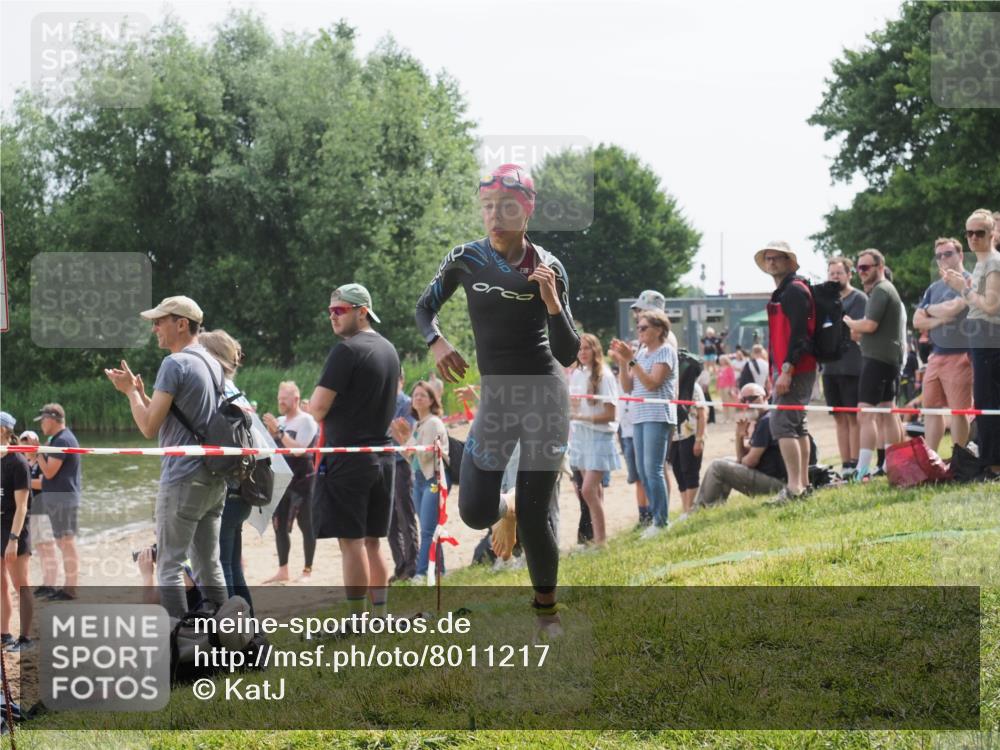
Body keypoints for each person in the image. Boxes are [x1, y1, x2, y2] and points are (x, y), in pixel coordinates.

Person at [415, 163, 579, 635]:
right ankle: (503, 506)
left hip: (545, 397)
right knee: (474, 511)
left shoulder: (548, 267)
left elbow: (567, 351)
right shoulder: (466, 258)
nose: (495, 216)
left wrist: (552, 302)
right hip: (499, 397)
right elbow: (425, 308)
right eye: (488, 206)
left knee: (534, 513)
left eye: (507, 207)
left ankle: (547, 613)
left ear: (526, 210)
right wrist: (438, 342)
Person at [104, 295, 229, 619]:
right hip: (214, 477)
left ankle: (176, 644)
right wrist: (143, 394)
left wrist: (130, 393)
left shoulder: (174, 363)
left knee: (170, 566)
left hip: (183, 478)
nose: (154, 328)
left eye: (160, 321)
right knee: (208, 566)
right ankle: (229, 641)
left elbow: (148, 426)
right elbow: (182, 415)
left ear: (182, 324)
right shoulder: (211, 363)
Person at [308, 283, 400, 621]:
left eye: (340, 310)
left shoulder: (346, 351)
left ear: (363, 311)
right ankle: (380, 615)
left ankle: (356, 619)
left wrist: (314, 405)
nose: (333, 316)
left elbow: (317, 408)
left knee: (352, 542)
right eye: (330, 311)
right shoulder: (389, 350)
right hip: (384, 454)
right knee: (374, 542)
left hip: (349, 457)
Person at [197, 329, 256, 612]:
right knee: (233, 564)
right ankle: (251, 628)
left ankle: (237, 636)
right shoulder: (237, 393)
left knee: (224, 567)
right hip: (243, 488)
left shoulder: (219, 392)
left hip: (228, 487)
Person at [757, 241, 816, 502]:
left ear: (788, 261)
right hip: (791, 368)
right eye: (768, 258)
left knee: (782, 425)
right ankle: (802, 484)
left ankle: (794, 488)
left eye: (777, 258)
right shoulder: (784, 291)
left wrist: (787, 369)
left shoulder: (794, 290)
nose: (771, 262)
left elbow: (800, 335)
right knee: (797, 426)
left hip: (795, 368)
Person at [610, 309, 678, 538]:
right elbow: (628, 387)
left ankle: (662, 521)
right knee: (642, 470)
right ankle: (655, 518)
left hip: (657, 414)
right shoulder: (641, 352)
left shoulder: (665, 350)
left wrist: (631, 360)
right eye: (638, 327)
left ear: (659, 330)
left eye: (643, 327)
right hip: (639, 415)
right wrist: (622, 362)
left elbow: (652, 384)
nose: (638, 331)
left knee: (653, 469)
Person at [695, 384, 817, 508]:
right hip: (776, 479)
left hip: (780, 484)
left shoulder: (767, 421)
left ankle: (701, 508)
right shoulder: (764, 419)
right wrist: (739, 436)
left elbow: (749, 462)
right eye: (743, 400)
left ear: (766, 397)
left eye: (752, 398)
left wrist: (742, 458)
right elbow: (742, 459)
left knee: (718, 466)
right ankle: (710, 506)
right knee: (725, 461)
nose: (748, 403)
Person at [944, 209, 1000, 477]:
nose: (974, 237)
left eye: (980, 232)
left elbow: (991, 306)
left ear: (992, 234)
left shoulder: (992, 263)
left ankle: (994, 465)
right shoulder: (983, 263)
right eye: (969, 233)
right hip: (982, 337)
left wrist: (962, 289)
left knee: (988, 403)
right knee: (985, 402)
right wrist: (963, 285)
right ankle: (991, 462)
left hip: (990, 336)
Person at [844, 249, 906, 480]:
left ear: (880, 267)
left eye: (865, 267)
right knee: (888, 412)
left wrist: (850, 322)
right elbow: (873, 329)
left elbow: (869, 325)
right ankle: (891, 465)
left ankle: (862, 470)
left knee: (865, 414)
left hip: (877, 361)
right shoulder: (885, 290)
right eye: (858, 268)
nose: (861, 272)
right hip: (887, 359)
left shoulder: (881, 290)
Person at [913, 238, 974, 454]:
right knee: (930, 410)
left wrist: (930, 310)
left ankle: (960, 459)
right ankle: (932, 459)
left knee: (959, 411)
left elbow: (954, 308)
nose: (943, 259)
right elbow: (917, 320)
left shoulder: (970, 281)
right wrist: (937, 317)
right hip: (936, 355)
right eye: (938, 255)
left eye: (948, 253)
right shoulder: (933, 287)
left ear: (960, 255)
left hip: (961, 354)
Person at [390, 381, 449, 581]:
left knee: (427, 529)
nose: (418, 398)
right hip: (421, 480)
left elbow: (425, 456)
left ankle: (423, 571)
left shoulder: (433, 423)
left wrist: (407, 439)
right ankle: (439, 569)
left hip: (433, 480)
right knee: (429, 528)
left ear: (432, 400)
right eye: (415, 395)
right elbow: (413, 458)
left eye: (423, 395)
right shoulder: (418, 424)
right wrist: (404, 441)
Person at [261, 381, 318, 583]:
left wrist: (279, 433)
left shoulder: (307, 421)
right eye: (279, 399)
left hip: (303, 481)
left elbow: (299, 449)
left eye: (284, 399)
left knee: (306, 525)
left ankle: (307, 570)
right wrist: (267, 434)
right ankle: (283, 569)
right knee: (279, 525)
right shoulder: (279, 421)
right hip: (281, 481)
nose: (281, 402)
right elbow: (269, 450)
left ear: (295, 399)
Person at [567, 334, 620, 548]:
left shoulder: (605, 376)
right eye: (579, 349)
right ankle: (595, 539)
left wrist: (580, 416)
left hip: (599, 436)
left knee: (588, 489)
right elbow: (575, 407)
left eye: (586, 348)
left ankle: (601, 542)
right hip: (580, 436)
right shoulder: (577, 374)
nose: (582, 352)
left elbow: (610, 415)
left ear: (595, 350)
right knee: (592, 491)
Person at [822, 256, 867, 476]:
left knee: (852, 416)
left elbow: (858, 330)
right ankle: (845, 464)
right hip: (830, 368)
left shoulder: (859, 299)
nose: (835, 277)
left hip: (852, 366)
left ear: (849, 275)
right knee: (839, 417)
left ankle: (856, 462)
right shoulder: (824, 299)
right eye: (832, 273)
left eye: (839, 273)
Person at [33, 403, 81, 600]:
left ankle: (70, 588)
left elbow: (50, 472)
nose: (41, 425)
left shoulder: (62, 440)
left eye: (43, 420)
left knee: (66, 543)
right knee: (63, 542)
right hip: (60, 497)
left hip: (64, 497)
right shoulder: (58, 439)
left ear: (51, 419)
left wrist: (36, 452)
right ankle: (67, 587)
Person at [1, 413, 33, 653]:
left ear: (4, 430)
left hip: (15, 530)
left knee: (21, 585)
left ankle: (26, 638)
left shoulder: (18, 462)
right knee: (1, 586)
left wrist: (13, 540)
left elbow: (22, 506)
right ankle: (4, 634)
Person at [385, 371, 418, 583]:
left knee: (406, 516)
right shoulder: (381, 403)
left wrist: (389, 430)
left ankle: (412, 564)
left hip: (402, 464)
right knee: (389, 520)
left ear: (401, 381)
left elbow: (405, 436)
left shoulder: (406, 404)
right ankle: (400, 565)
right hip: (384, 463)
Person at [19, 430, 58, 599]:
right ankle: (46, 582)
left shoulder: (43, 459)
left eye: (28, 442)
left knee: (49, 548)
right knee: (41, 549)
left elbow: (43, 483)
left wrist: (20, 483)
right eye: (23, 443)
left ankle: (52, 584)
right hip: (31, 511)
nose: (25, 446)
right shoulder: (23, 463)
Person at [669, 378, 707, 520]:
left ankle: (691, 509)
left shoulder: (693, 386)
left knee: (690, 472)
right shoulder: (668, 385)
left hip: (690, 434)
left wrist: (699, 439)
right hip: (674, 437)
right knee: (679, 474)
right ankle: (685, 509)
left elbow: (702, 414)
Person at [716, 354, 738, 423]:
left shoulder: (729, 368)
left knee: (730, 402)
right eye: (720, 360)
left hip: (728, 387)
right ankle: (725, 417)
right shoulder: (719, 369)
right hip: (721, 387)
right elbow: (718, 378)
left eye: (722, 360)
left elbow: (732, 379)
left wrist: (732, 388)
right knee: (724, 403)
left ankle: (731, 418)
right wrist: (717, 387)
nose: (721, 361)